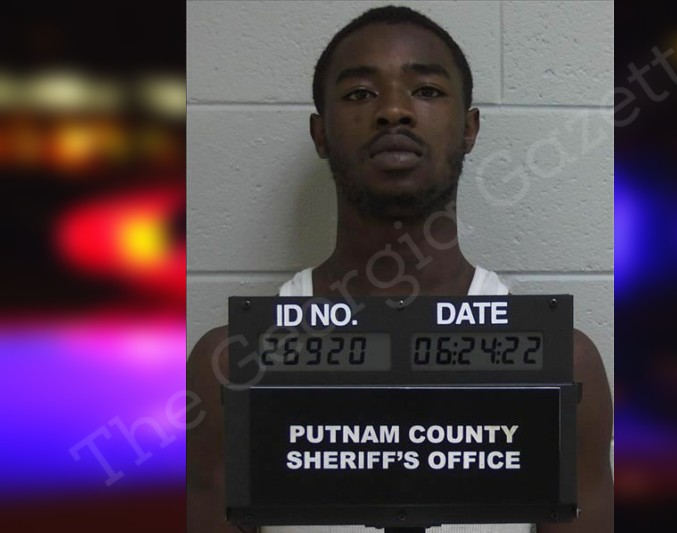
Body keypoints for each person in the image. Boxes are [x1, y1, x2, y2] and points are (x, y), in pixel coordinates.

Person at [187, 6, 613, 533]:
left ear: (469, 129)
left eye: (427, 90)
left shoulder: (561, 365)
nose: (393, 110)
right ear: (320, 134)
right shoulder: (231, 369)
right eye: (359, 93)